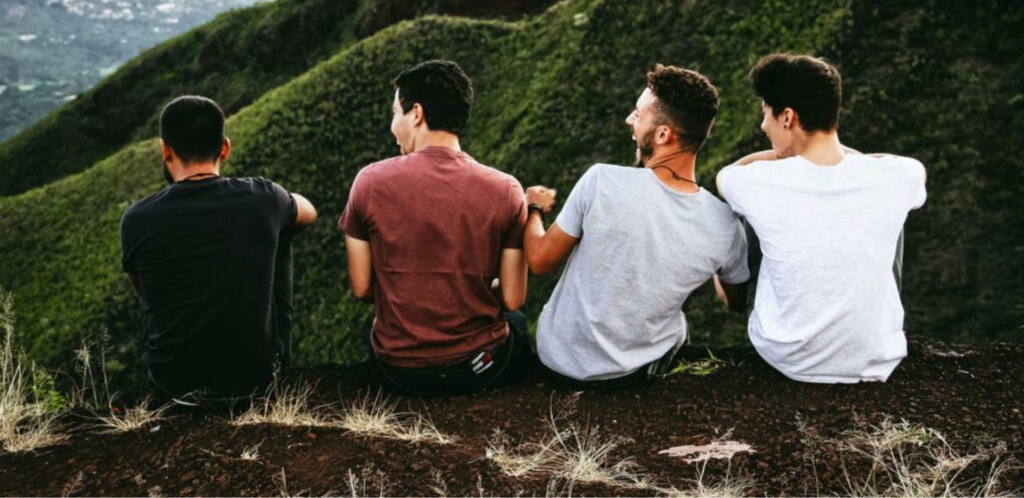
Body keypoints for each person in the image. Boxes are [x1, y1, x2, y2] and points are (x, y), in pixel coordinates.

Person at [524, 64, 750, 389]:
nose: (629, 120)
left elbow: (539, 260)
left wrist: (533, 208)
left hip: (557, 362)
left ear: (662, 135)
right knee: (678, 325)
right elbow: (734, 302)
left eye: (638, 114)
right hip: (632, 375)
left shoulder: (601, 180)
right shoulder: (725, 225)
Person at [716, 53, 927, 383]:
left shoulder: (755, 181)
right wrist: (844, 158)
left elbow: (726, 175)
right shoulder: (899, 176)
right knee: (890, 211)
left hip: (787, 356)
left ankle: (739, 303)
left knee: (749, 215)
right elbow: (907, 167)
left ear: (787, 117)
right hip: (874, 357)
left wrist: (782, 156)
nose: (762, 126)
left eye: (766, 115)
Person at [339, 59, 531, 396]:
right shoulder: (507, 189)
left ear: (416, 114)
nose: (392, 126)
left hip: (397, 370)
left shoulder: (369, 182)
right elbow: (513, 297)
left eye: (394, 113)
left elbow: (362, 287)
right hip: (477, 368)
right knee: (517, 324)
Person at [120, 95, 317, 403]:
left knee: (157, 282)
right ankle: (278, 365)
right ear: (225, 148)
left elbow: (145, 291)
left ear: (165, 150)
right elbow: (309, 212)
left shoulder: (136, 219)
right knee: (283, 228)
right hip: (252, 383)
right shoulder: (262, 198)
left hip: (172, 385)